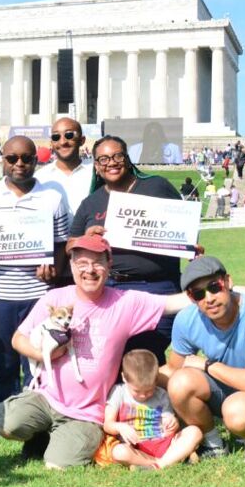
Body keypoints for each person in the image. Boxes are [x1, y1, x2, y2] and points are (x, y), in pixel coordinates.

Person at [0, 236, 212, 469]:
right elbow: (18, 338)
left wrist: (221, 289)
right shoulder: (55, 298)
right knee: (8, 424)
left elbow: (172, 303)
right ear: (71, 266)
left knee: (57, 465)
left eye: (97, 262)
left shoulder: (125, 303)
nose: (89, 270)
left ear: (109, 265)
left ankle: (56, 438)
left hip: (86, 413)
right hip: (46, 397)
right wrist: (41, 355)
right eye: (81, 263)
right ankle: (42, 431)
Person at [0, 136, 69, 430]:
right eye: (13, 158)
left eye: (27, 158)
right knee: (4, 362)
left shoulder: (53, 194)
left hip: (40, 295)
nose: (20, 164)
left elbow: (62, 242)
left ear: (37, 160)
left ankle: (38, 422)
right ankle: (3, 422)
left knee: (37, 361)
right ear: (2, 159)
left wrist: (55, 269)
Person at [164, 257, 245, 465]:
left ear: (227, 282)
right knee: (180, 382)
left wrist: (208, 365)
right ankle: (214, 444)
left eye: (214, 287)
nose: (209, 298)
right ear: (191, 298)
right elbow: (172, 369)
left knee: (237, 410)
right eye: (198, 294)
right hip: (228, 389)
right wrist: (133, 388)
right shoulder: (186, 319)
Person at [70, 135, 184, 363]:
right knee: (109, 357)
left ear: (128, 159)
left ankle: (148, 399)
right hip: (111, 289)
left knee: (145, 357)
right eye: (103, 159)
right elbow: (71, 245)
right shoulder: (91, 203)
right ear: (96, 166)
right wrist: (86, 238)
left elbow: (184, 226)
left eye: (117, 156)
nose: (111, 163)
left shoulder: (156, 186)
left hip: (157, 287)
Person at [100, 349, 202, 470]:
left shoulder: (161, 394)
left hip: (164, 442)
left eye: (149, 391)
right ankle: (169, 460)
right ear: (124, 377)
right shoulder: (119, 392)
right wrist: (120, 427)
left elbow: (169, 419)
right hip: (136, 447)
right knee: (119, 452)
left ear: (156, 380)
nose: (143, 395)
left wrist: (172, 423)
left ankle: (157, 465)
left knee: (194, 432)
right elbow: (108, 424)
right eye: (137, 391)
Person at [35, 117, 92, 225]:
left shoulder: (96, 172)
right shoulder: (40, 177)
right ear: (51, 143)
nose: (62, 142)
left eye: (69, 135)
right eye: (56, 137)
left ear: (82, 140)